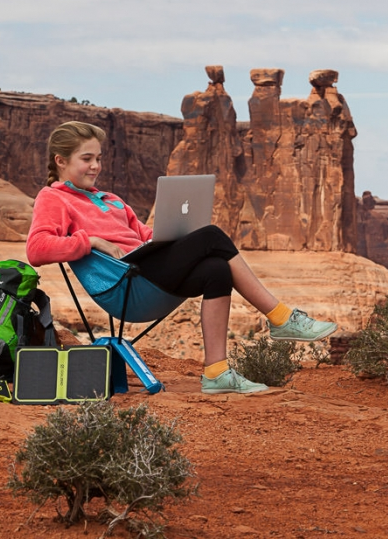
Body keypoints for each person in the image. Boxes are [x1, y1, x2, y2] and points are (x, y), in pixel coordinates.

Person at [26, 121, 337, 395]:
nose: (95, 166)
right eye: (86, 159)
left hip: (148, 271)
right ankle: (282, 318)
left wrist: (168, 235)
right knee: (212, 235)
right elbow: (37, 248)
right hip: (124, 285)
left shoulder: (111, 199)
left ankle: (217, 374)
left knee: (216, 269)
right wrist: (91, 240)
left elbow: (143, 234)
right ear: (61, 160)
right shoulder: (53, 198)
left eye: (99, 158)